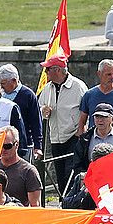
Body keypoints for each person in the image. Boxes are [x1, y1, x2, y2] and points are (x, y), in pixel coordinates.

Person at [37, 56, 89, 193]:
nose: (45, 72)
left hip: (74, 136)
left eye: (48, 69)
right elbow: (39, 106)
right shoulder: (47, 88)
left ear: (58, 70)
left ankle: (72, 201)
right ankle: (64, 201)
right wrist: (43, 110)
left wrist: (81, 130)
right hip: (55, 137)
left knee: (70, 173)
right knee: (59, 174)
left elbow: (87, 109)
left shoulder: (78, 86)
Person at [0, 64, 43, 162]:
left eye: (3, 83)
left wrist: (38, 146)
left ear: (14, 80)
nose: (1, 87)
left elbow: (36, 122)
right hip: (3, 143)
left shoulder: (28, 95)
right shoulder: (0, 96)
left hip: (24, 144)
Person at [0, 126, 42, 206]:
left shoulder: (29, 171)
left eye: (7, 146)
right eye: (0, 145)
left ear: (16, 145)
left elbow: (35, 206)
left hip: (19, 216)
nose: (3, 149)